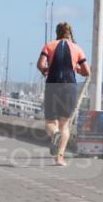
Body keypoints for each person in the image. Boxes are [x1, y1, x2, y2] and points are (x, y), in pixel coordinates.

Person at [37, 22, 91, 166]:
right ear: (69, 33)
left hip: (52, 85)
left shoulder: (49, 46)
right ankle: (60, 158)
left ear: (57, 32)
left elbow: (40, 64)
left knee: (50, 122)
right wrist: (77, 69)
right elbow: (87, 71)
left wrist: (45, 71)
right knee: (65, 124)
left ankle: (55, 134)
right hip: (70, 86)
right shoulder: (77, 48)